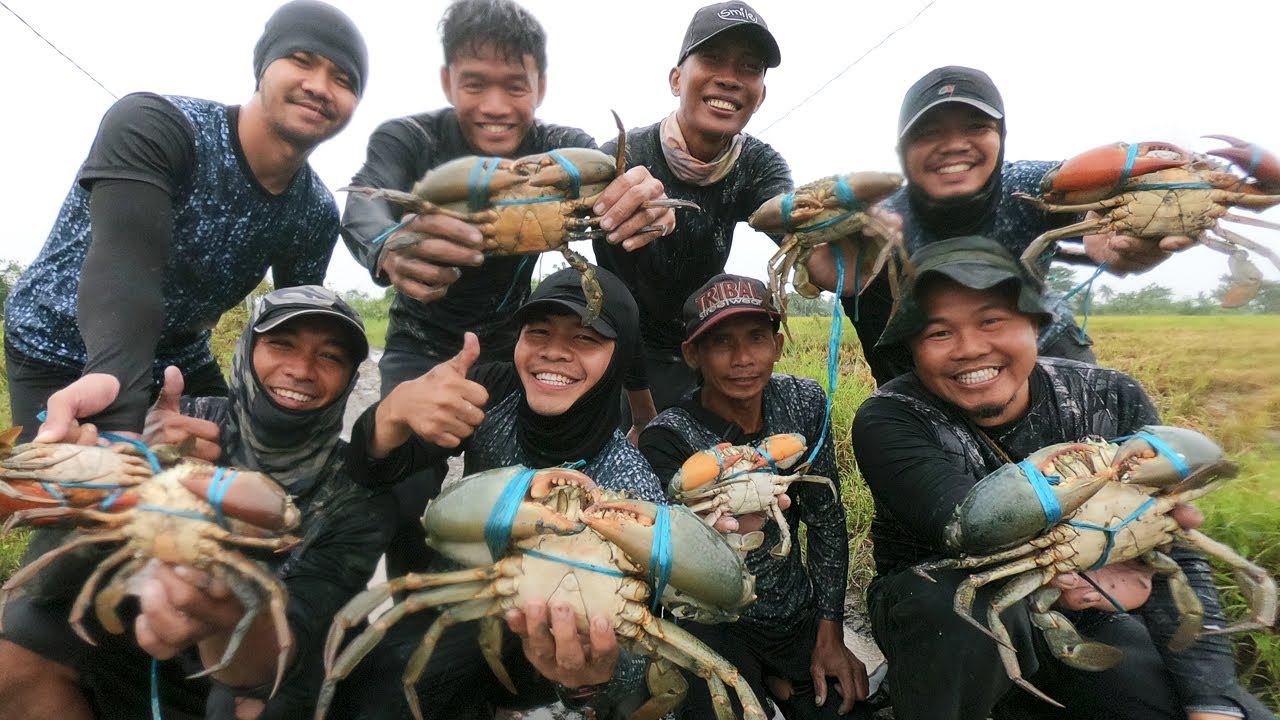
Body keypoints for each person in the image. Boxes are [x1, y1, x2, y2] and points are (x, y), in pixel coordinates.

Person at [850, 235, 1275, 720]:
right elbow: (965, 530)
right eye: (937, 332)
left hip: (1088, 612)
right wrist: (1108, 537)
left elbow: (1174, 542)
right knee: (945, 605)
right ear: (912, 348)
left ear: (1035, 324)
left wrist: (1211, 700)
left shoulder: (1110, 394)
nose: (969, 349)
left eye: (992, 320)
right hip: (956, 613)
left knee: (1197, 706)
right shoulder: (892, 418)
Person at [339, 0, 676, 582]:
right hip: (424, 342)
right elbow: (365, 201)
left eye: (515, 87)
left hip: (513, 343)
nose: (495, 107)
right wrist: (390, 245)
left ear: (540, 85)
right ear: (448, 81)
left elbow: (616, 185)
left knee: (554, 471)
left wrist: (644, 199)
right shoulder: (411, 140)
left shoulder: (561, 145)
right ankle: (420, 617)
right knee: (403, 491)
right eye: (474, 84)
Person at [0, 285, 393, 720]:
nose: (301, 369)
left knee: (254, 707)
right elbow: (49, 580)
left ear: (352, 378)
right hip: (134, 627)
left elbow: (292, 644)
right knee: (16, 647)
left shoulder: (356, 492)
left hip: (244, 656)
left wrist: (230, 616)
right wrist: (113, 468)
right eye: (281, 344)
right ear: (245, 350)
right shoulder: (177, 423)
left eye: (330, 357)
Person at [5, 0, 368, 444]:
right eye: (301, 61)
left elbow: (298, 324)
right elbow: (127, 269)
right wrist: (121, 406)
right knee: (78, 496)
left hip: (179, 356)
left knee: (231, 467)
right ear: (263, 67)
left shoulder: (314, 212)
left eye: (343, 79)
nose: (319, 86)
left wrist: (284, 430)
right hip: (56, 345)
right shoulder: (158, 128)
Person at [333, 264, 664, 719]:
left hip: (551, 642)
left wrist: (593, 679)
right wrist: (387, 418)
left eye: (585, 338)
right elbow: (379, 469)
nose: (554, 353)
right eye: (538, 332)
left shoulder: (632, 483)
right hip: (462, 600)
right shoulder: (493, 393)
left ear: (621, 354)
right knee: (372, 698)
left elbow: (641, 645)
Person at [805, 65, 1194, 385]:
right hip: (932, 362)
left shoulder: (1029, 184)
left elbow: (1101, 226)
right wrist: (837, 278)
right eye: (929, 132)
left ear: (1001, 136)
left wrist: (1125, 249)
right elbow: (829, 283)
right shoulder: (877, 221)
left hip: (1046, 342)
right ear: (902, 153)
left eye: (976, 127)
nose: (954, 143)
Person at [638, 273, 867, 719]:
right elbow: (668, 557)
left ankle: (779, 678)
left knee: (846, 708)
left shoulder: (804, 401)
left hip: (792, 614)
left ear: (778, 346)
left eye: (757, 338)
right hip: (710, 623)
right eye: (721, 342)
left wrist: (830, 631)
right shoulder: (667, 436)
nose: (743, 358)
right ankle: (761, 681)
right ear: (693, 354)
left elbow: (825, 518)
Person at [593, 1, 793, 427]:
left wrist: (830, 242)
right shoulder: (623, 159)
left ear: (761, 94)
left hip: (702, 346)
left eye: (749, 67)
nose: (730, 78)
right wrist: (644, 410)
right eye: (713, 58)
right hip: (627, 355)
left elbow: (796, 232)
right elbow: (613, 294)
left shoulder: (760, 164)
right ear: (676, 78)